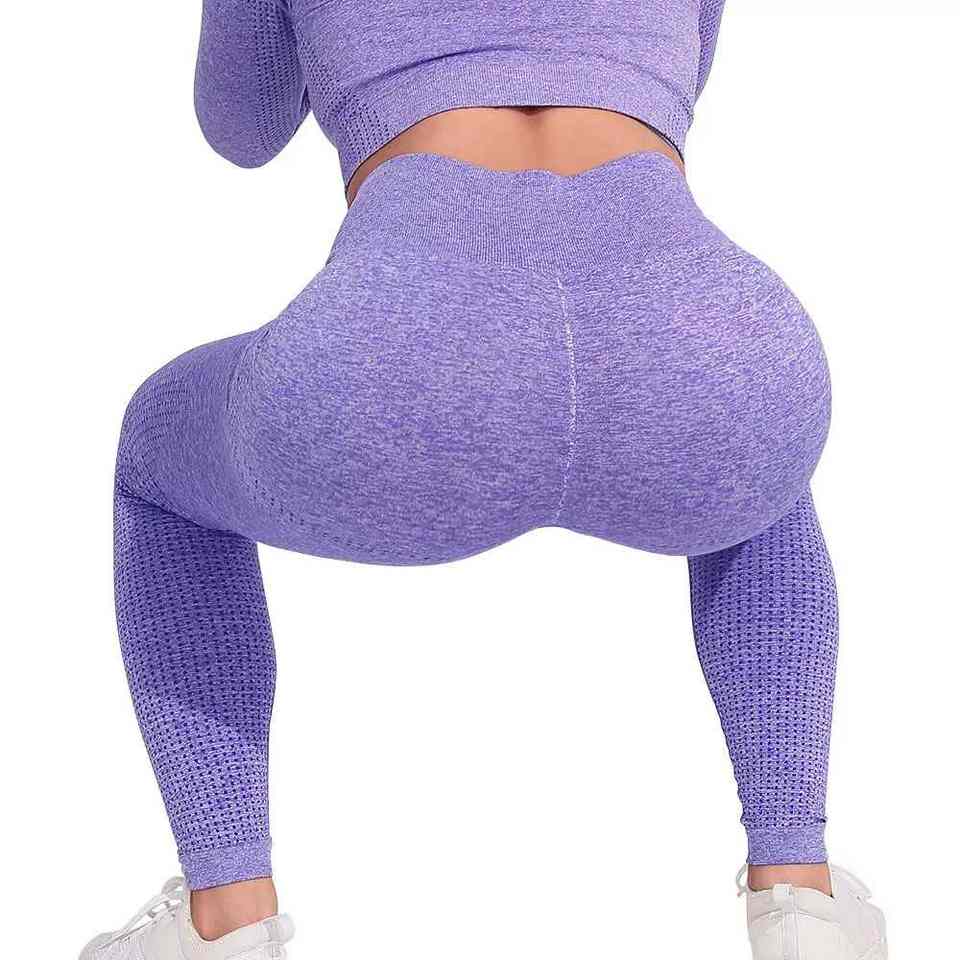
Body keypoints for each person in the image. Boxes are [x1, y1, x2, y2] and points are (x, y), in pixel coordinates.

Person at [80, 2, 888, 958]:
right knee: (753, 440)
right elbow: (673, 86)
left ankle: (227, 915)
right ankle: (799, 897)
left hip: (406, 348)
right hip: (694, 320)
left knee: (157, 454)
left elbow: (241, 127)